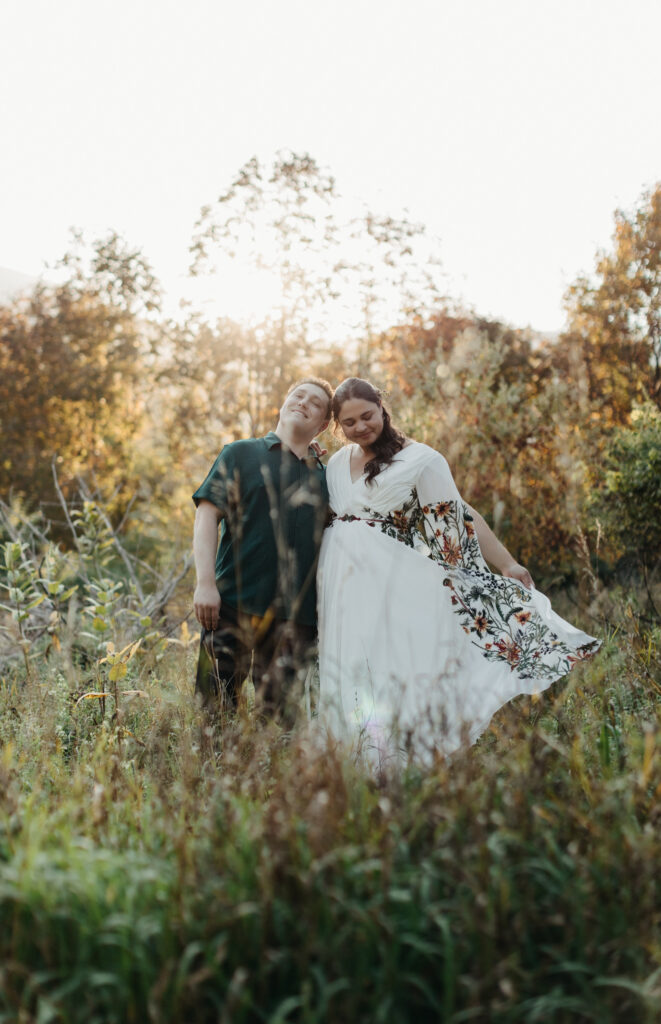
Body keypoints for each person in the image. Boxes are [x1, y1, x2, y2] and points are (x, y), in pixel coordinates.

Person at [317, 377, 600, 766]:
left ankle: (400, 758)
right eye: (348, 423)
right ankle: (354, 758)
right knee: (349, 665)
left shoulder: (421, 459)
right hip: (338, 581)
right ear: (338, 427)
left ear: (382, 407)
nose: (360, 427)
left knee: (387, 664)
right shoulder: (334, 462)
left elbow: (459, 515)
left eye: (367, 416)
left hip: (386, 578)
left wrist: (506, 563)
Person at [193, 377, 332, 725]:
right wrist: (205, 584)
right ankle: (215, 779)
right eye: (297, 395)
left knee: (277, 725)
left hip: (295, 620)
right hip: (230, 605)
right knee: (214, 715)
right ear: (283, 404)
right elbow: (207, 514)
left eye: (315, 402)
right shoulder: (241, 453)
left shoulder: (327, 477)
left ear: (324, 424)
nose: (303, 402)